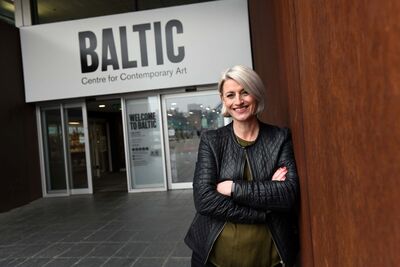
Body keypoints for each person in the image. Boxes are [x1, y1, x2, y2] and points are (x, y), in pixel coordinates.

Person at [184, 65, 300, 267]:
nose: (238, 101)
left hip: (270, 258)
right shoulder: (212, 141)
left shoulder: (279, 138)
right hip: (215, 258)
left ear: (256, 94)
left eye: (245, 92)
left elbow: (288, 194)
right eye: (230, 95)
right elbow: (204, 200)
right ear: (223, 100)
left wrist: (232, 188)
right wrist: (262, 210)